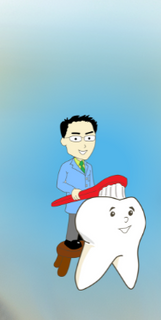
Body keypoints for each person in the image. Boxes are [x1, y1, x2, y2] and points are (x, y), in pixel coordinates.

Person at [54, 115, 100, 272]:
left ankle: (84, 247)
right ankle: (69, 249)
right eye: (75, 138)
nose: (83, 144)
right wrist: (72, 190)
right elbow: (61, 183)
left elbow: (91, 184)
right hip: (74, 204)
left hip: (87, 205)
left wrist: (94, 196)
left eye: (88, 137)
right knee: (72, 230)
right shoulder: (66, 167)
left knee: (86, 228)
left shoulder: (89, 167)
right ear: (64, 141)